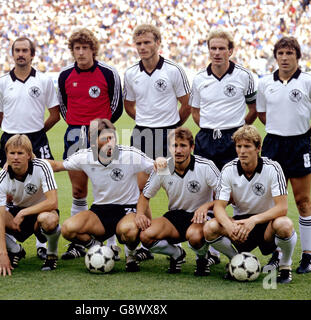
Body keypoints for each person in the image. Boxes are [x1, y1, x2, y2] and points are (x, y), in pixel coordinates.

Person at [256, 36, 311, 274]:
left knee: (302, 201)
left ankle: (307, 256)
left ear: (298, 56)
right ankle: (278, 254)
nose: (285, 58)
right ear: (275, 56)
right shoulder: (265, 82)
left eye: (289, 54)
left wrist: (304, 135)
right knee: (273, 204)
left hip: (299, 146)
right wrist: (279, 132)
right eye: (281, 54)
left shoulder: (309, 81)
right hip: (273, 145)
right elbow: (262, 114)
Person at [46, 119, 155, 272]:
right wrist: (29, 160)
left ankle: (131, 256)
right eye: (105, 139)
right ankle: (97, 248)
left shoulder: (130, 155)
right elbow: (57, 166)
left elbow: (159, 167)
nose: (110, 143)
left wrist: (163, 162)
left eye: (112, 138)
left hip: (127, 210)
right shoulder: (84, 156)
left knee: (129, 231)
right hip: (100, 212)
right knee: (68, 229)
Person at [123, 24, 191, 261]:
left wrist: (172, 125)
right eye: (139, 43)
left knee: (179, 185)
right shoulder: (131, 73)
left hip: (170, 134)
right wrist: (145, 121)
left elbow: (186, 103)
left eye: (147, 43)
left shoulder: (174, 70)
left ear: (158, 43)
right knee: (142, 189)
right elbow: (129, 105)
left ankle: (193, 236)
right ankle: (145, 240)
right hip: (142, 134)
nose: (143, 47)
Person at [57, 28, 123, 260]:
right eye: (77, 48)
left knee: (107, 188)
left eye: (85, 48)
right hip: (75, 133)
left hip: (103, 134)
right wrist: (80, 126)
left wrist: (101, 128)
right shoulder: (65, 75)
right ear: (72, 50)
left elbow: (117, 106)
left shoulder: (108, 72)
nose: (81, 52)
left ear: (93, 50)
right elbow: (63, 107)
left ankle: (112, 242)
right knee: (78, 190)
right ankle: (78, 243)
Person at [204, 125, 297, 284]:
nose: (242, 151)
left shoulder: (273, 168)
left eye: (247, 146)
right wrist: (229, 225)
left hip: (266, 224)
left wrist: (253, 220)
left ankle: (285, 266)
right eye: (239, 146)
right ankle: (236, 261)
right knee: (209, 228)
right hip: (240, 224)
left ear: (258, 148)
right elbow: (219, 206)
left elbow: (282, 208)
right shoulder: (228, 169)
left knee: (285, 224)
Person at [0, 37, 60, 260]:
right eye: (17, 50)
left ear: (33, 54)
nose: (21, 54)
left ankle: (43, 241)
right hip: (9, 138)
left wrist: (37, 132)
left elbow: (54, 113)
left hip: (37, 138)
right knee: (9, 187)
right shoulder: (3, 82)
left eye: (25, 50)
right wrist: (13, 134)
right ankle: (12, 243)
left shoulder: (43, 80)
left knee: (42, 188)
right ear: (12, 54)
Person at [136, 127, 220, 275]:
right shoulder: (163, 167)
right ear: (169, 147)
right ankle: (176, 254)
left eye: (183, 146)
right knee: (145, 236)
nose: (178, 150)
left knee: (195, 236)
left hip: (200, 218)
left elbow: (226, 196)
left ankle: (202, 258)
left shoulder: (206, 166)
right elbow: (145, 196)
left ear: (192, 147)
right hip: (175, 217)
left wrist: (207, 206)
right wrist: (140, 214)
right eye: (174, 145)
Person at [0, 135, 61, 277]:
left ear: (28, 155)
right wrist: (2, 254)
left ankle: (51, 254)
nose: (15, 157)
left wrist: (24, 213)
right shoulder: (0, 178)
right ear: (6, 155)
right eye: (12, 153)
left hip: (42, 211)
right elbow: (0, 218)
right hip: (15, 214)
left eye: (20, 153)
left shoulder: (42, 166)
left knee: (49, 220)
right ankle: (15, 250)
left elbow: (53, 202)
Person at [189, 27, 257, 171]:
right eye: (213, 48)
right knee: (204, 189)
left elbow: (254, 108)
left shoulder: (244, 76)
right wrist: (208, 125)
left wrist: (240, 128)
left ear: (230, 51)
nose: (217, 53)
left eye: (221, 48)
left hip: (234, 139)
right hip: (206, 139)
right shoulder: (199, 78)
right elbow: (195, 111)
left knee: (233, 188)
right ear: (209, 50)